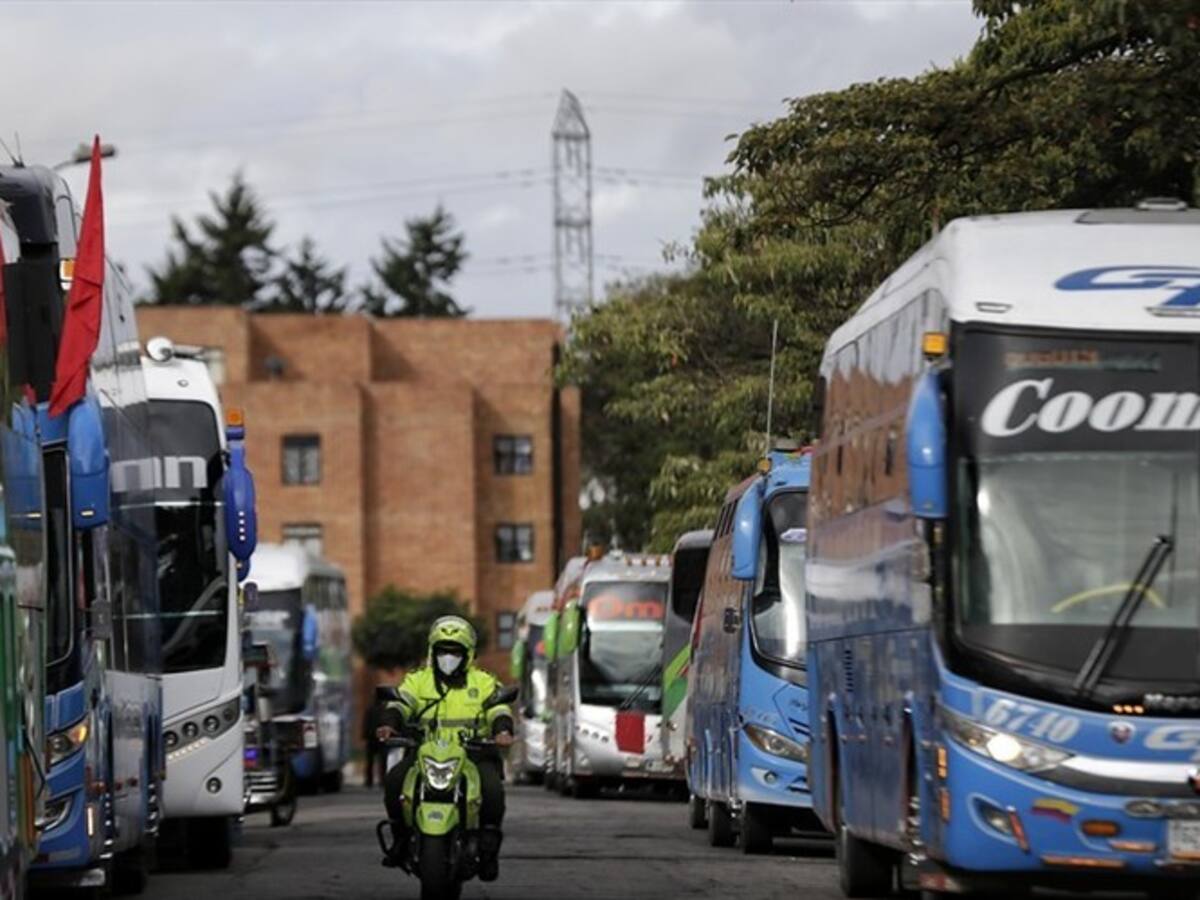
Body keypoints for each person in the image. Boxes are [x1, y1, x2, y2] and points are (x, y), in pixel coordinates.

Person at [377, 616, 514, 881]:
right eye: (442, 651)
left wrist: (502, 730)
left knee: (493, 791)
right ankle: (401, 839)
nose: (448, 657)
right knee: (395, 781)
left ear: (468, 654)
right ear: (432, 652)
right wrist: (389, 724)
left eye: (454, 652)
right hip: (425, 753)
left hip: (474, 755)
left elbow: (498, 708)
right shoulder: (418, 680)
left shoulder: (483, 681)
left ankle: (487, 851)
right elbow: (401, 704)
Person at [361, 701, 385, 789]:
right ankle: (381, 780)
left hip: (371, 737)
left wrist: (364, 735)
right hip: (380, 738)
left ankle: (369, 780)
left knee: (370, 761)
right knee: (381, 761)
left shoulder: (370, 709)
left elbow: (366, 723)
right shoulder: (384, 709)